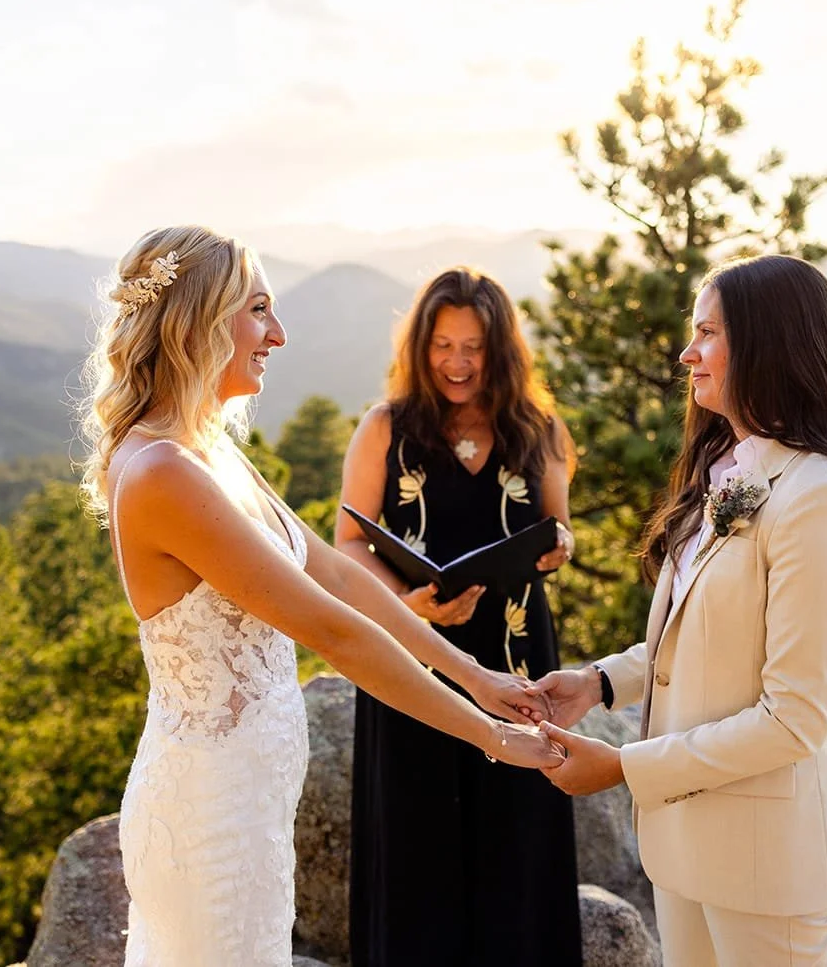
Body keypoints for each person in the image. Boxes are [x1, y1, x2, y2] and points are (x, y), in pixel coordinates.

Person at [78, 228, 561, 967]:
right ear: (201, 320)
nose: (279, 332)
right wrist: (490, 736)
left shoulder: (210, 454)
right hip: (209, 818)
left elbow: (337, 574)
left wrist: (480, 677)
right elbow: (331, 629)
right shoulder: (162, 474)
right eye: (260, 309)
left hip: (250, 811)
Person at [529, 255, 827, 967]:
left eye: (707, 332)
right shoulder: (733, 471)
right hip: (688, 845)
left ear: (769, 343)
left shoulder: (823, 495)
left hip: (769, 861)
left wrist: (621, 766)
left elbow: (793, 716)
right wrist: (597, 682)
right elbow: (705, 638)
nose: (686, 351)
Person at [335, 267, 584, 967]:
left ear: (500, 350)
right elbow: (348, 543)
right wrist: (406, 606)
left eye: (473, 346)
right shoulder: (386, 428)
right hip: (411, 652)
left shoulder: (539, 430)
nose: (457, 362)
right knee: (415, 835)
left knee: (518, 831)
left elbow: (557, 528)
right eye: (444, 344)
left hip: (517, 656)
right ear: (422, 346)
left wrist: (558, 546)